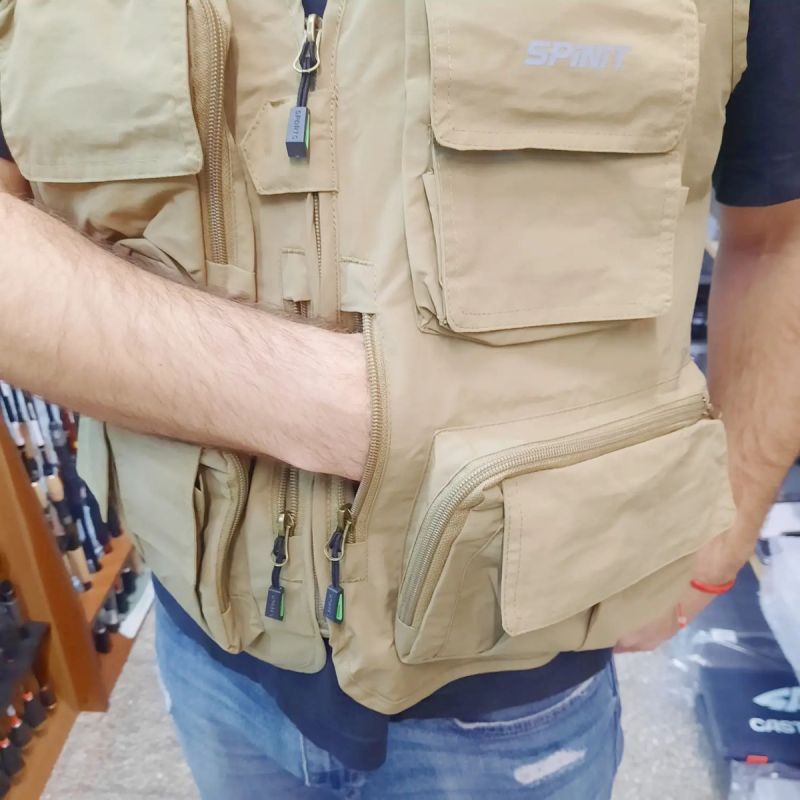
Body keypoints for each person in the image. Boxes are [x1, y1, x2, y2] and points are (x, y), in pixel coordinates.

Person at [0, 1, 799, 797]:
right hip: (205, 637)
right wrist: (315, 400)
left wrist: (718, 543)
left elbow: (779, 235)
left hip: (521, 675)